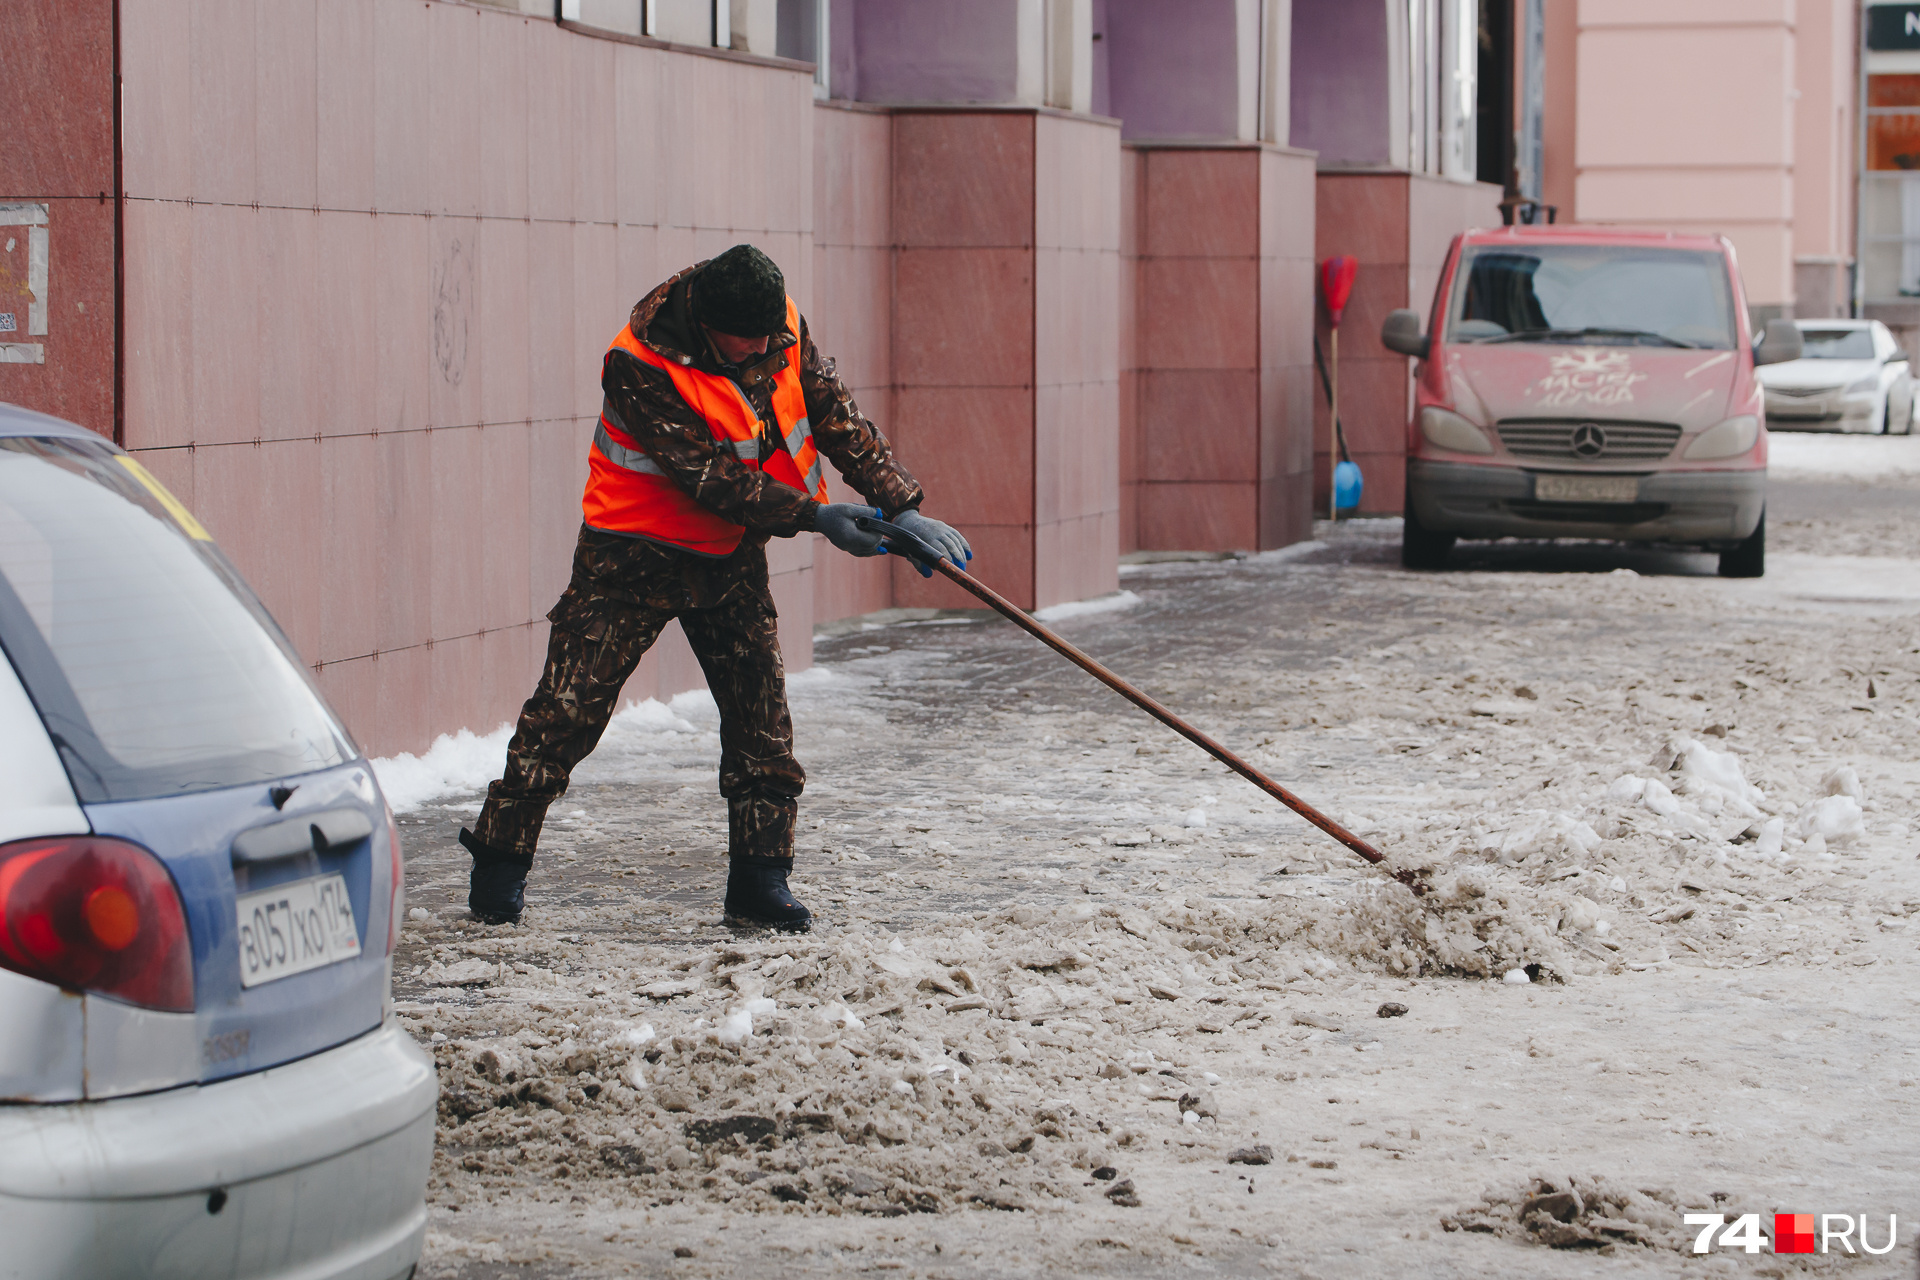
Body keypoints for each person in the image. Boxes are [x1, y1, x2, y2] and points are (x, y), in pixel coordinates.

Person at [459, 245, 970, 932]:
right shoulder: (640, 364)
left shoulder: (777, 323)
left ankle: (760, 881)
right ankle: (498, 864)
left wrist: (899, 501)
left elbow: (832, 412)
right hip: (629, 561)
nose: (764, 347)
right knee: (564, 718)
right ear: (705, 323)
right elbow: (709, 478)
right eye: (747, 338)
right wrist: (816, 517)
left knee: (763, 725)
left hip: (728, 559)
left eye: (770, 335)